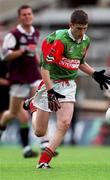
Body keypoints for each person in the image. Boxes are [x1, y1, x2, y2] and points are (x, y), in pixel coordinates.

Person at [26, 9, 110, 169]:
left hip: (68, 84)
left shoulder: (86, 40)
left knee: (65, 123)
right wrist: (50, 91)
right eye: (78, 28)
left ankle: (43, 161)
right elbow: (44, 69)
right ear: (70, 25)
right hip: (50, 81)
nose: (82, 32)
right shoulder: (60, 41)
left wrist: (94, 74)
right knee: (39, 131)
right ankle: (33, 107)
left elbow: (79, 62)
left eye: (85, 28)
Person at [0, 5, 42, 158]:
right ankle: (2, 127)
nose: (27, 16)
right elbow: (6, 55)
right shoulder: (13, 36)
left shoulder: (35, 33)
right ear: (19, 17)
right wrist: (23, 50)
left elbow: (34, 53)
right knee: (12, 114)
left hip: (31, 78)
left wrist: (41, 66)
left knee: (39, 103)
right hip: (14, 83)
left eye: (29, 14)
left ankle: (42, 143)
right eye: (24, 14)